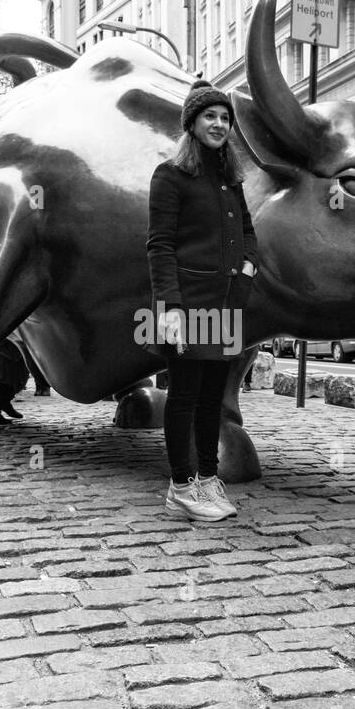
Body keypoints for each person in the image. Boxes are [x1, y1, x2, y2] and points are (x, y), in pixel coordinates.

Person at [145, 78, 259, 522]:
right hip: (186, 304)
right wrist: (169, 307)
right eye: (210, 116)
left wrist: (247, 273)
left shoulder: (231, 179)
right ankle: (180, 487)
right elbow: (159, 245)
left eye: (224, 117)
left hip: (225, 304)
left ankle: (208, 479)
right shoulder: (170, 175)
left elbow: (248, 233)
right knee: (184, 396)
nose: (219, 123)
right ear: (191, 123)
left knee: (215, 397)